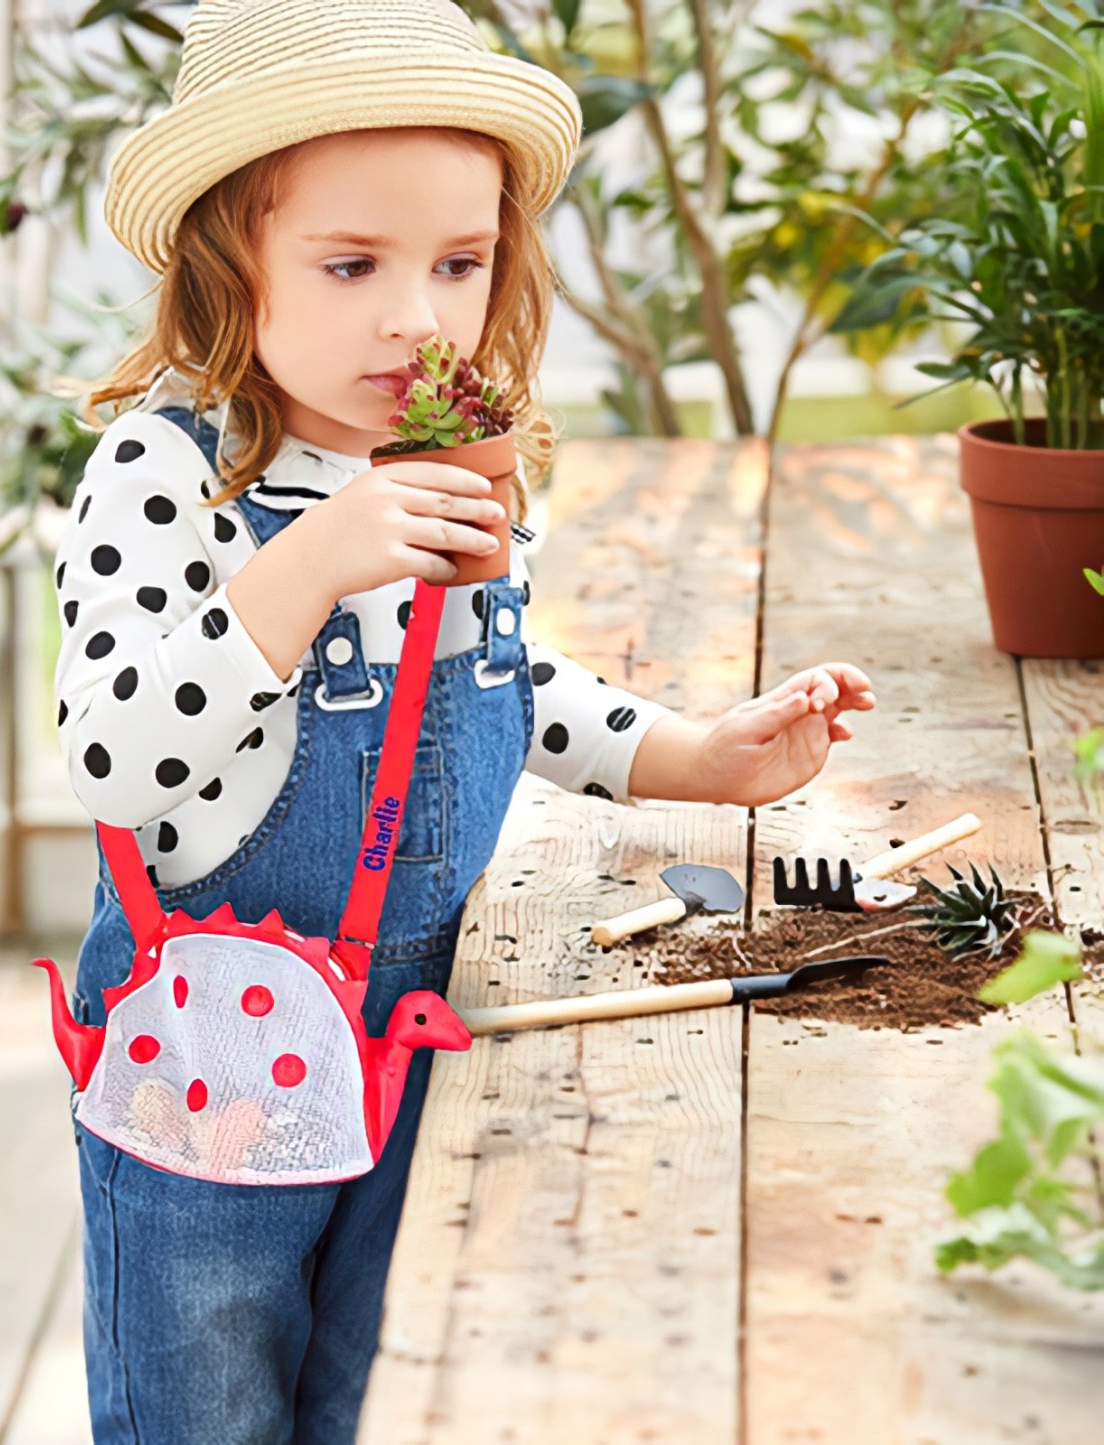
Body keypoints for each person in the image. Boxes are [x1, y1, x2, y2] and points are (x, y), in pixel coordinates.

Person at [49, 3, 877, 1441]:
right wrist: (306, 561)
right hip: (215, 1066)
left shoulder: (453, 461)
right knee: (205, 1401)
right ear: (222, 269)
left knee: (378, 1388)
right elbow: (114, 757)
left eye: (459, 262)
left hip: (428, 1031)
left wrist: (685, 752)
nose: (418, 317)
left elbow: (495, 671)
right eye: (351, 263)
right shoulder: (167, 473)